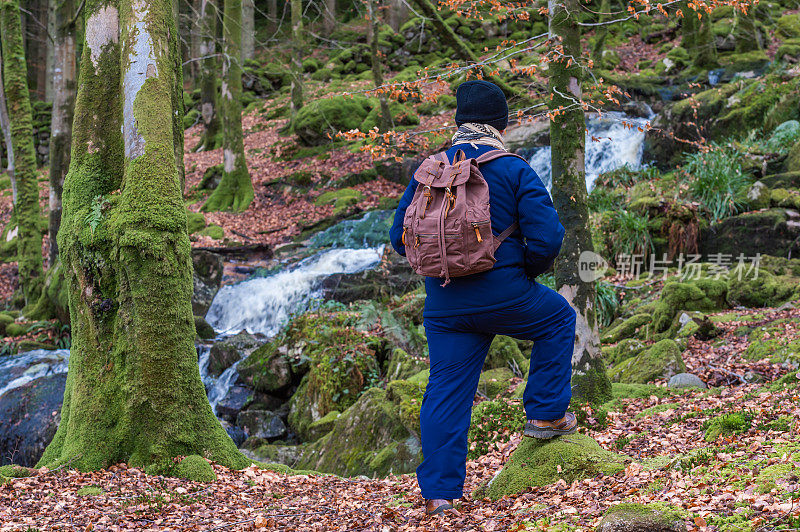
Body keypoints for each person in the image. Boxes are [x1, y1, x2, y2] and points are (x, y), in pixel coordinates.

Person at [389, 80, 578, 516]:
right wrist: (522, 273)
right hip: (507, 295)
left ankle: (440, 496)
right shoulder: (513, 168)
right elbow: (548, 239)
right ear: (501, 123)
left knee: (446, 390)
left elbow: (401, 240)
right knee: (557, 319)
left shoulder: (429, 169)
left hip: (444, 304)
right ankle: (546, 415)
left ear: (459, 121)